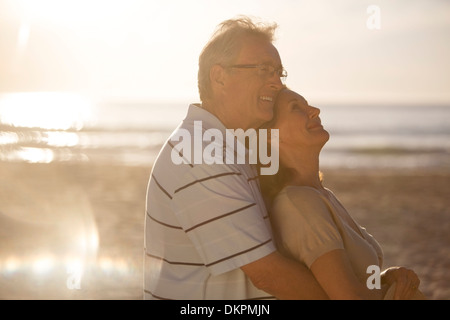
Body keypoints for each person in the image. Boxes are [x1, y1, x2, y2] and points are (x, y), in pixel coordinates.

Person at [143, 17, 328, 300]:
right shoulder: (201, 154)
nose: (277, 83)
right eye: (264, 70)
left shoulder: (233, 147)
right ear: (219, 77)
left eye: (279, 72)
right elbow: (269, 273)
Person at [259, 88, 426, 300]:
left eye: (307, 103)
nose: (314, 110)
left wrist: (385, 278)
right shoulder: (299, 203)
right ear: (271, 137)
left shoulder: (321, 194)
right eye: (295, 108)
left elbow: (345, 281)